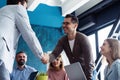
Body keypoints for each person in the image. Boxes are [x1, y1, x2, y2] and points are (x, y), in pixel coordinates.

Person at [0, 0, 44, 80]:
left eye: (24, 56)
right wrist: (41, 55)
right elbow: (29, 34)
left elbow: (42, 76)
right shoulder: (18, 8)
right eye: (25, 7)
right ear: (20, 3)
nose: (25, 10)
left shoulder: (2, 11)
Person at [42, 14, 95, 80]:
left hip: (88, 72)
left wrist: (89, 78)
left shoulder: (83, 39)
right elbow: (54, 54)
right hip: (75, 72)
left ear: (75, 25)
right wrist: (47, 58)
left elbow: (89, 62)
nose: (64, 26)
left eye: (67, 23)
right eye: (63, 23)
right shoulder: (63, 40)